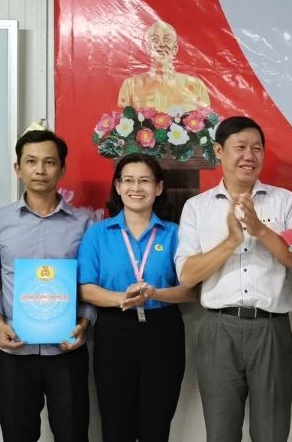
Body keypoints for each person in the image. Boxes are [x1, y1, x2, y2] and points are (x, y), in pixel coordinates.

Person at [175, 116, 292, 442]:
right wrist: (231, 241)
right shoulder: (197, 207)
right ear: (219, 151)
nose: (249, 156)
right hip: (218, 329)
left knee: (272, 432)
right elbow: (188, 274)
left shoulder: (284, 201)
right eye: (240, 148)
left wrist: (259, 229)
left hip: (271, 329)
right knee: (220, 432)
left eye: (257, 148)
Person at [0, 129, 93, 442]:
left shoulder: (84, 222)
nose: (40, 170)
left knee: (72, 434)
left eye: (50, 162)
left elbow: (91, 283)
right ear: (18, 168)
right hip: (14, 350)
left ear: (62, 169)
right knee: (17, 435)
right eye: (31, 161)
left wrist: (84, 322)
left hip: (67, 350)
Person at [77, 153, 197, 442]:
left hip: (163, 331)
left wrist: (156, 293)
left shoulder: (175, 234)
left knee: (156, 425)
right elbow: (84, 288)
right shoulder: (98, 234)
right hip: (114, 330)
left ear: (158, 187)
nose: (136, 187)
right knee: (116, 424)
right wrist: (122, 298)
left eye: (144, 180)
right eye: (128, 180)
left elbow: (191, 289)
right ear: (117, 187)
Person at [117, 19, 211, 114]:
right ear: (147, 48)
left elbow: (206, 120)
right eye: (155, 39)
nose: (161, 44)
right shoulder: (130, 85)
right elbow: (125, 119)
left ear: (175, 49)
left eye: (167, 39)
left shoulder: (195, 85)